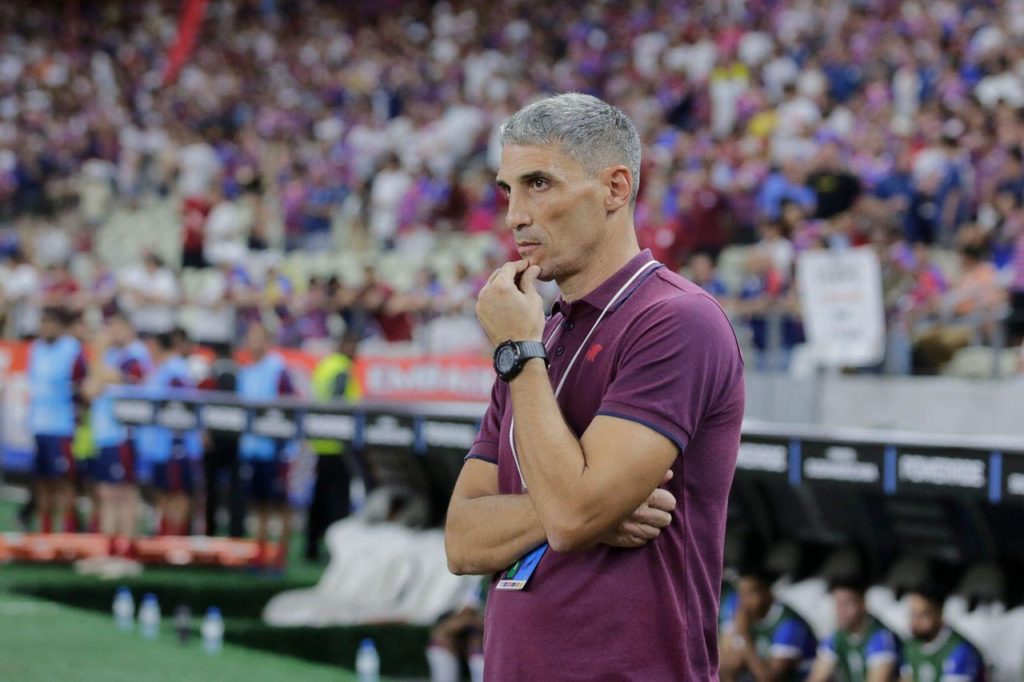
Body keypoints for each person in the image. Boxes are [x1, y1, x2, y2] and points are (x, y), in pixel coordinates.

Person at [445, 94, 745, 678]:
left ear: (614, 188)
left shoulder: (676, 319)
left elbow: (572, 517)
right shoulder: (537, 334)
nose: (514, 216)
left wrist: (518, 355)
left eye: (539, 184)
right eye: (508, 190)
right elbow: (462, 539)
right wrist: (578, 509)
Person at [83, 313, 150, 556]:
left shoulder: (135, 354)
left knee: (124, 492)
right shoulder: (111, 356)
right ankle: (109, 549)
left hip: (124, 433)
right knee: (105, 492)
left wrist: (98, 352)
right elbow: (90, 390)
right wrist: (100, 362)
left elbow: (115, 378)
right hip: (104, 432)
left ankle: (128, 549)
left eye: (116, 328)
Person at [236, 323, 296, 569]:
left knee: (279, 503)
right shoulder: (246, 372)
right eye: (250, 337)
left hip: (275, 449)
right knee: (257, 502)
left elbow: (289, 407)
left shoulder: (278, 369)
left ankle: (279, 554)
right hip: (253, 448)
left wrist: (283, 444)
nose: (254, 342)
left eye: (258, 337)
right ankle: (260, 551)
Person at [27, 308, 87, 533]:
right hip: (39, 426)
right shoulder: (36, 349)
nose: (46, 329)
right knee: (42, 482)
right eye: (43, 324)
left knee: (64, 482)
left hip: (62, 427)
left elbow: (82, 386)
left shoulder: (72, 350)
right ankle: (45, 532)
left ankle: (68, 532)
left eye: (51, 324)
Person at [135, 331, 199, 536]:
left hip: (174, 443)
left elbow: (184, 408)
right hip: (158, 445)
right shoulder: (158, 370)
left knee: (177, 492)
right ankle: (164, 533)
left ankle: (177, 536)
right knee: (161, 490)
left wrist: (178, 440)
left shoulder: (175, 371)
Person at [305, 332, 361, 562]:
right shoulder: (341, 368)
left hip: (321, 443)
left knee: (318, 499)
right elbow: (338, 405)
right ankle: (335, 551)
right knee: (337, 503)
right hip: (338, 445)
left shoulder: (325, 365)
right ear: (346, 344)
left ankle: (311, 546)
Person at [719, 564, 818, 681]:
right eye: (741, 594)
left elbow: (770, 679)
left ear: (768, 593)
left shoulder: (789, 625)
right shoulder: (746, 614)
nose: (745, 602)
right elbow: (726, 663)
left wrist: (744, 636)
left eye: (751, 593)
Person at [808, 576, 901, 682]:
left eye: (847, 603)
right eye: (838, 604)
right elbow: (817, 677)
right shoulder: (837, 636)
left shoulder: (881, 637)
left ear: (863, 604)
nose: (841, 611)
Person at [900, 586, 986, 682]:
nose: (916, 622)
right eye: (913, 614)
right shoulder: (911, 646)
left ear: (939, 613)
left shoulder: (960, 650)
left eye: (923, 615)